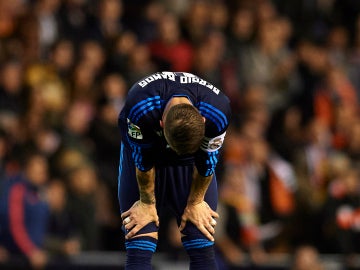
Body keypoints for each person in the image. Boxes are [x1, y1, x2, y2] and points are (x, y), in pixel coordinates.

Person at [118, 71, 231, 269]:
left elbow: (207, 164)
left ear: (203, 121)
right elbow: (143, 162)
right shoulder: (140, 105)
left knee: (201, 236)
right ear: (161, 124)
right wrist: (146, 202)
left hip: (191, 162)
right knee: (140, 234)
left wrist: (196, 201)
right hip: (149, 152)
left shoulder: (218, 111)